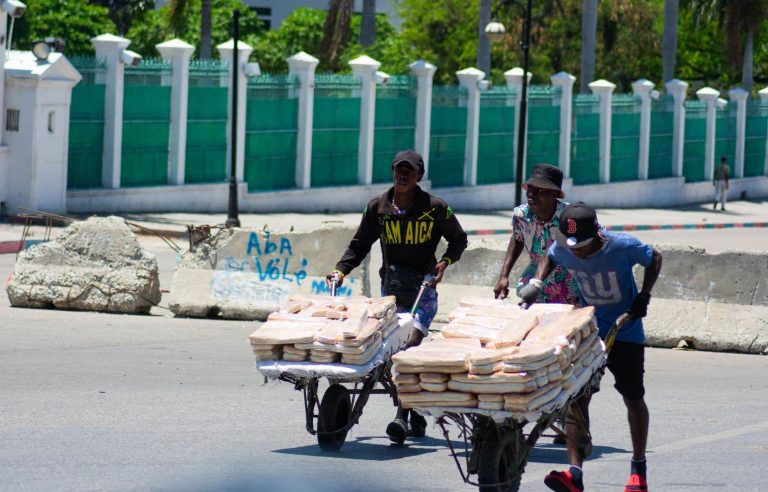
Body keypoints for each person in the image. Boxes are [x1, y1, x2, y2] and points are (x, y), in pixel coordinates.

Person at [326, 149, 468, 445]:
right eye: (398, 169)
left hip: (423, 293)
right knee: (389, 356)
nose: (403, 175)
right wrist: (339, 271)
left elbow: (459, 239)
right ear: (392, 171)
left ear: (419, 176)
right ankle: (413, 410)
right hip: (390, 292)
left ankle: (401, 419)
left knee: (408, 349)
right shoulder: (378, 207)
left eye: (410, 171)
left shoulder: (436, 208)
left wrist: (444, 264)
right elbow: (359, 245)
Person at [518, 202, 663, 492]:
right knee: (577, 398)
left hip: (626, 332)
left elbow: (655, 258)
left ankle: (638, 470)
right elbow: (552, 255)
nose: (576, 252)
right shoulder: (565, 248)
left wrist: (644, 296)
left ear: (597, 233)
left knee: (633, 398)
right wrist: (537, 281)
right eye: (571, 246)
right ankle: (574, 473)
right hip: (590, 330)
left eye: (581, 245)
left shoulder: (622, 246)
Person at [494, 163, 580, 305]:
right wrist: (504, 276)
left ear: (554, 194)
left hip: (569, 283)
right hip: (534, 280)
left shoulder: (570, 217)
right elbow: (517, 239)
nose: (531, 194)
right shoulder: (521, 215)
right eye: (530, 188)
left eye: (539, 190)